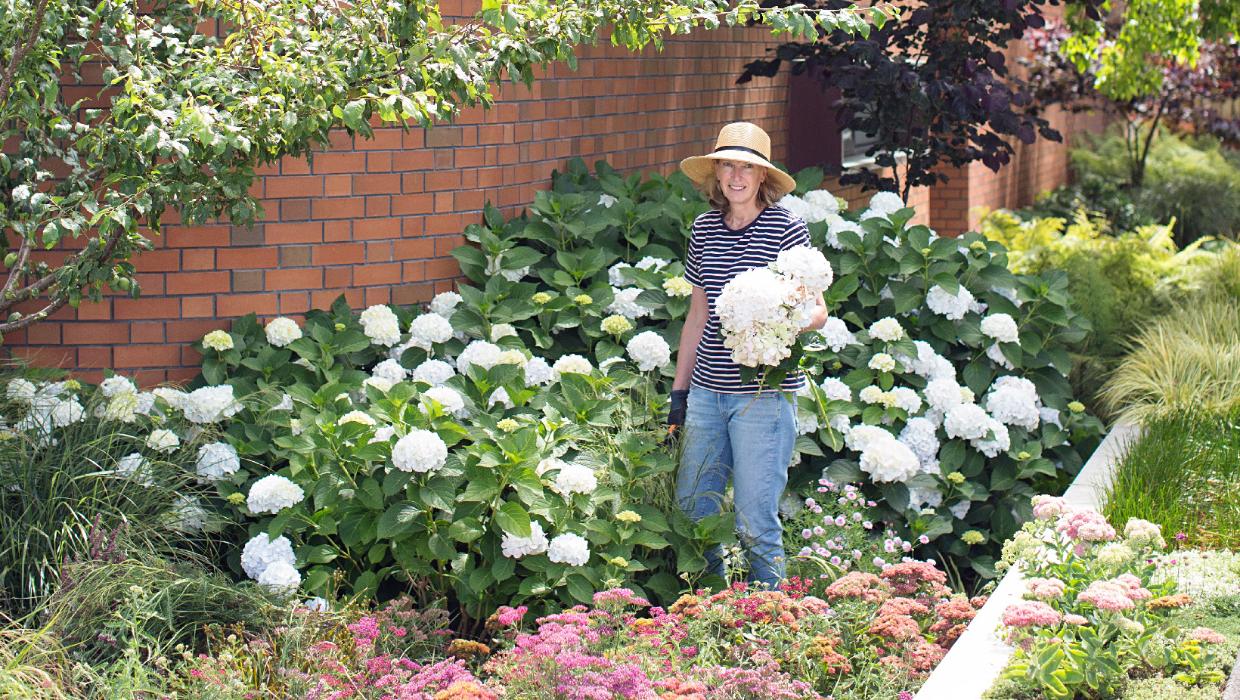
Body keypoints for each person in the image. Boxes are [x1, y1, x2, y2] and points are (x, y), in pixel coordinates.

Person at [669, 121, 828, 587]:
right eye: (727, 165)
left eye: (747, 167)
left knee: (755, 521)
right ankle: (711, 611)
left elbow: (816, 311)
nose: (736, 176)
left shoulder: (785, 228)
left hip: (762, 396)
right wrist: (680, 394)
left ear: (763, 178)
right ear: (716, 174)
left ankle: (774, 623)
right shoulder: (704, 229)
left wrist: (769, 324)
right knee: (693, 512)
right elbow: (697, 316)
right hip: (707, 396)